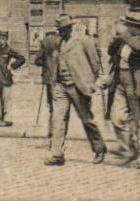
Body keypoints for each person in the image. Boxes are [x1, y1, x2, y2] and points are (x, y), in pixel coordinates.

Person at [41, 14, 106, 167]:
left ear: (70, 28)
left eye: (64, 29)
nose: (62, 32)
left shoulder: (83, 40)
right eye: (60, 30)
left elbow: (95, 62)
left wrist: (93, 81)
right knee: (58, 120)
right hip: (60, 86)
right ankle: (57, 154)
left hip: (78, 86)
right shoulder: (58, 43)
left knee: (86, 119)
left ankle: (99, 148)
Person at [99, 11, 140, 169]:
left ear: (138, 28)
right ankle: (128, 149)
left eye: (131, 26)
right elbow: (111, 52)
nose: (128, 28)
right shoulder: (124, 40)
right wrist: (115, 39)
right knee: (116, 118)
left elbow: (138, 47)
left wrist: (124, 35)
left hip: (138, 84)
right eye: (127, 25)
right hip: (120, 82)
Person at [0, 30, 25, 126]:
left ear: (6, 40)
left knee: (6, 99)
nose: (0, 40)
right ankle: (0, 119)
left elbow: (21, 59)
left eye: (2, 39)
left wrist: (12, 66)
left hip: (6, 78)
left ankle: (7, 119)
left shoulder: (8, 50)